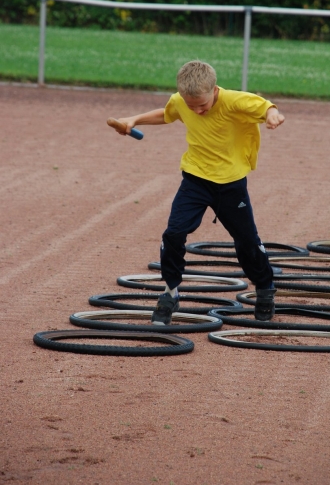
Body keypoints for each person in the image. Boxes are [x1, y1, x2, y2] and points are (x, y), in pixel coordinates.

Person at [115, 60, 285, 325]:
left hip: (231, 183)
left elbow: (264, 106)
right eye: (191, 106)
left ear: (214, 90)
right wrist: (134, 119)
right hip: (195, 179)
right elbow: (168, 113)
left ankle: (264, 289)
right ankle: (170, 292)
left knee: (247, 242)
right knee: (174, 233)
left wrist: (272, 115)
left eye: (202, 105)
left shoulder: (234, 101)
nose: (197, 110)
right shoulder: (181, 101)